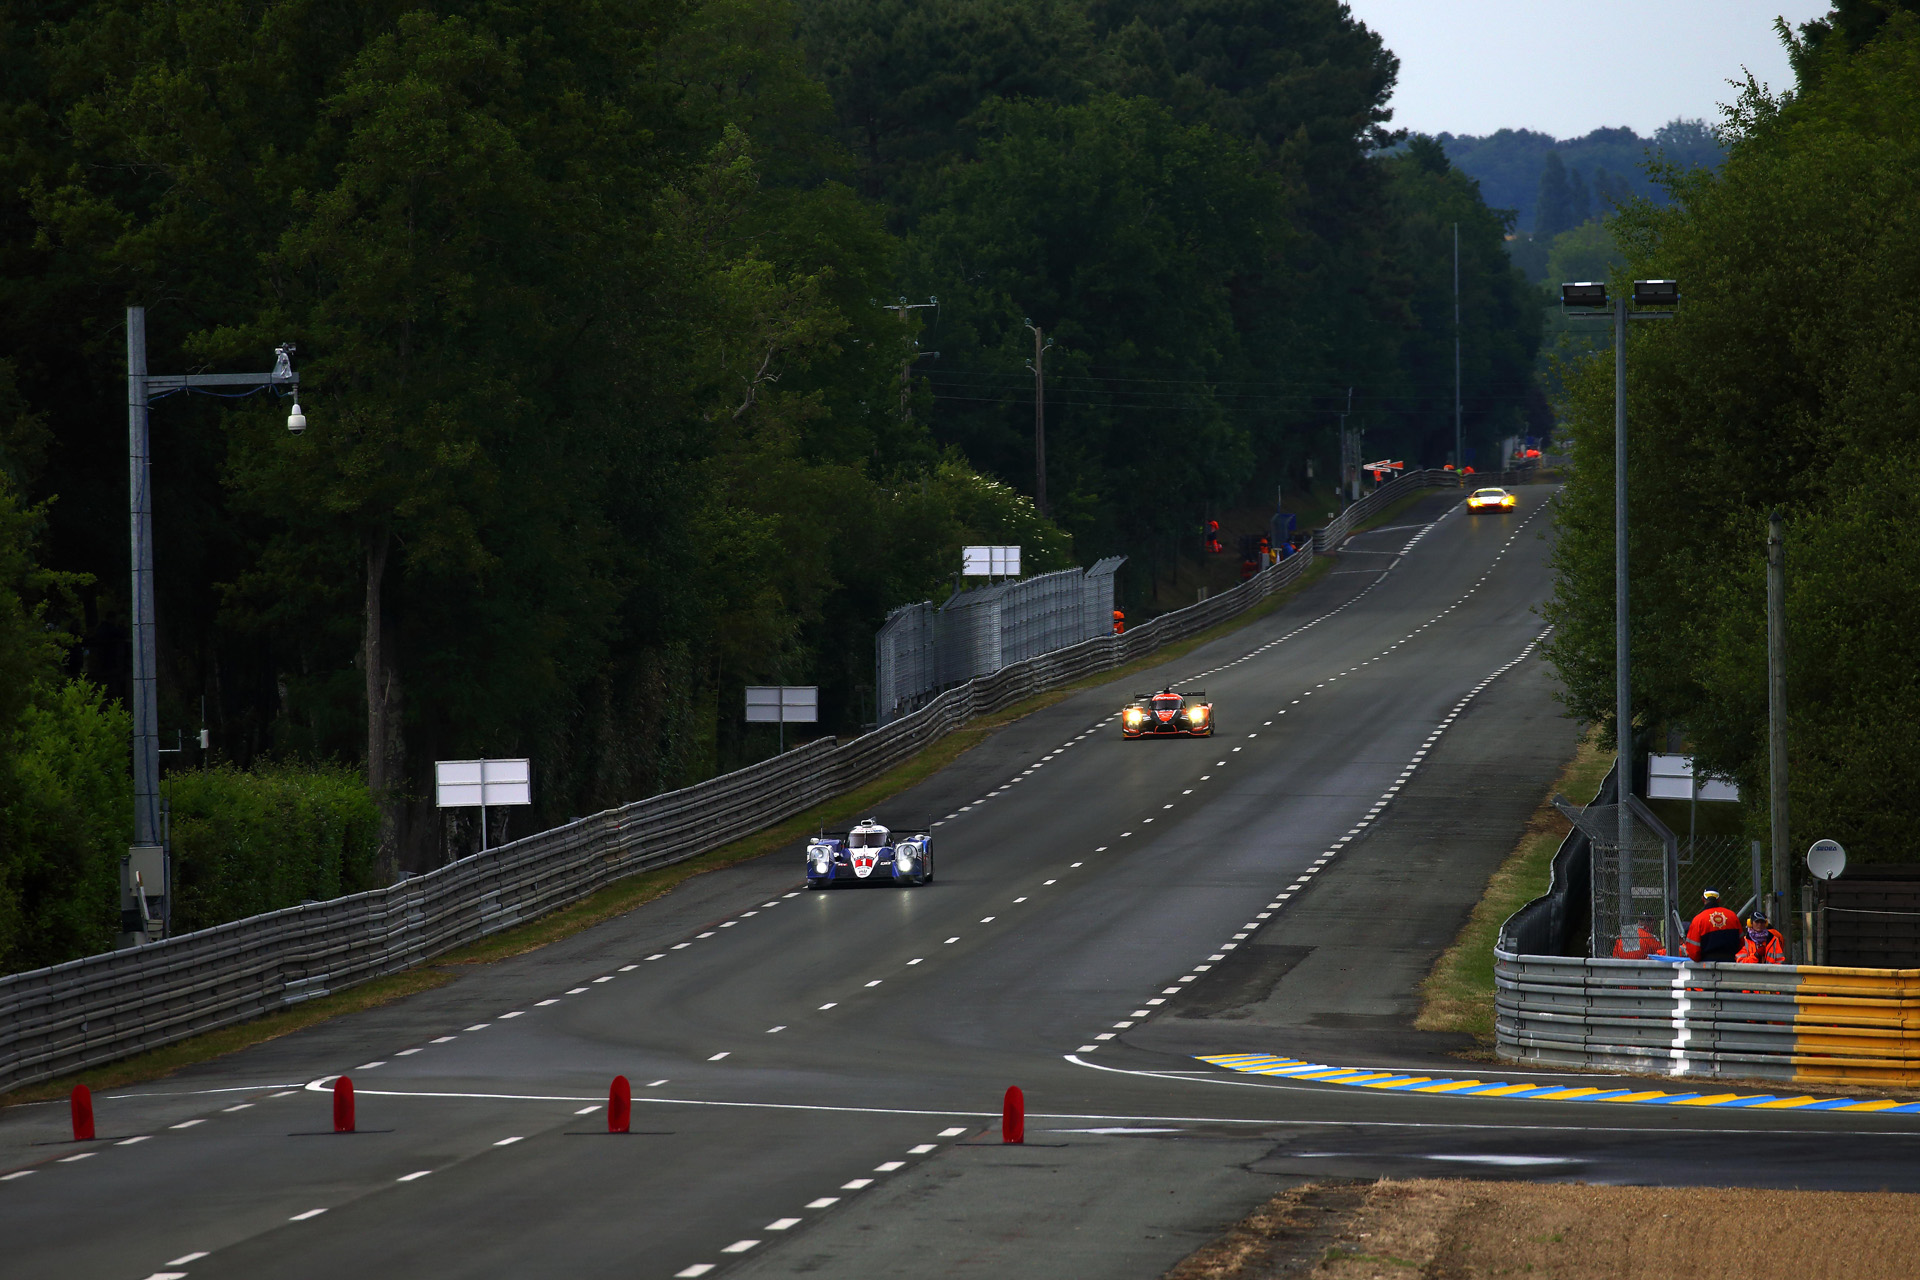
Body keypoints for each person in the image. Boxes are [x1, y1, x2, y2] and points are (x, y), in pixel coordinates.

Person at [1684, 888, 1744, 962]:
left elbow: (1694, 951)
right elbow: (1741, 943)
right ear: (1719, 899)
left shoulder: (1699, 919)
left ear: (1703, 899)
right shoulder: (1732, 916)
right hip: (1731, 962)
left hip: (1707, 964)